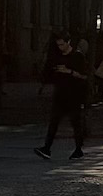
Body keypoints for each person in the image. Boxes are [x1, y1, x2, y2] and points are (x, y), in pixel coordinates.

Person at [35, 32, 89, 161]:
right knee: (54, 121)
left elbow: (84, 76)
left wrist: (69, 71)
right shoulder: (57, 56)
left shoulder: (77, 56)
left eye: (62, 44)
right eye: (58, 45)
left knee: (75, 122)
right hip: (60, 93)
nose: (60, 47)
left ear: (68, 42)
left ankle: (78, 149)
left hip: (73, 94)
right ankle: (47, 148)